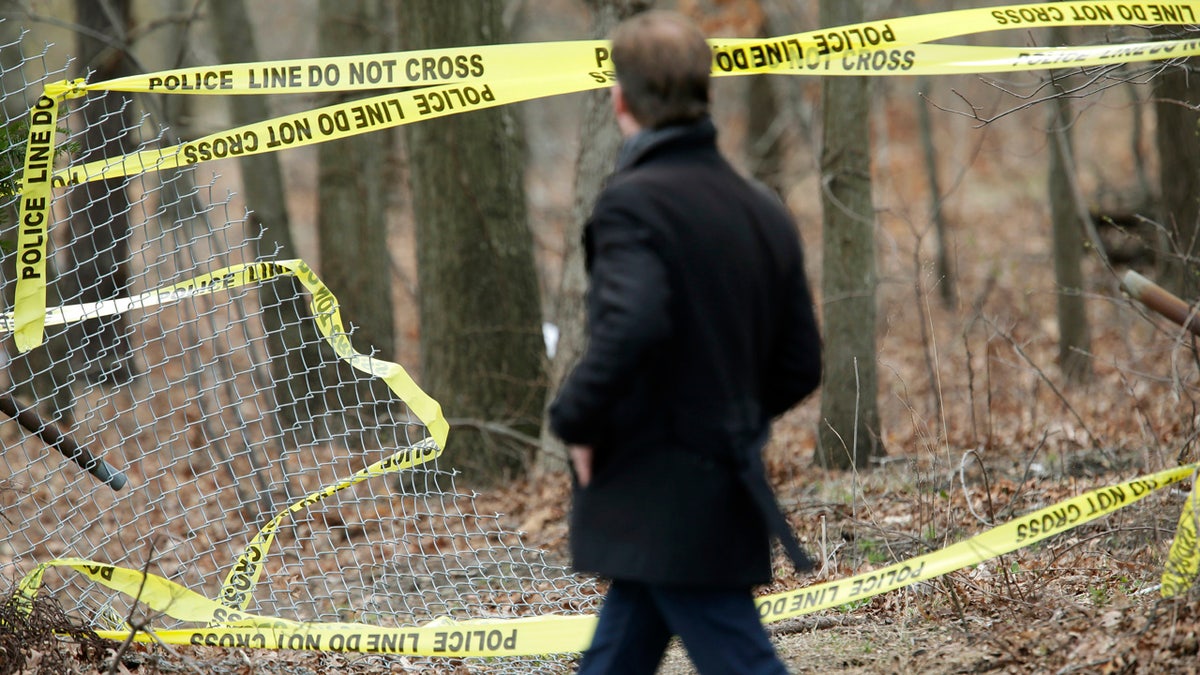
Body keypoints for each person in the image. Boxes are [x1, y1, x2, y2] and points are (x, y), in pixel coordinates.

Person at [548, 10, 823, 675]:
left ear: (620, 100)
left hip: (666, 486)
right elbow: (801, 363)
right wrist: (729, 417)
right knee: (619, 651)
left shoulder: (631, 203)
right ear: (706, 93)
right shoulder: (762, 208)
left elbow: (634, 322)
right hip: (705, 483)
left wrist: (575, 416)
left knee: (739, 658)